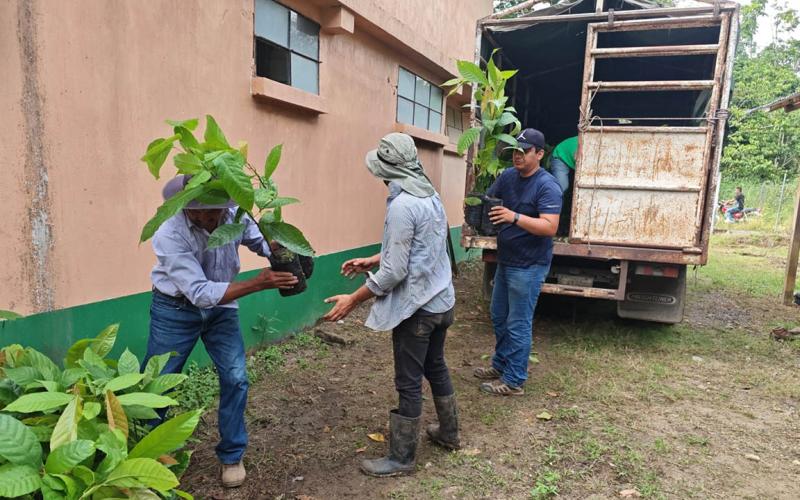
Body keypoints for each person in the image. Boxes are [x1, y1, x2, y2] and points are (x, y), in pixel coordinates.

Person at [144, 175, 298, 488]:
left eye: (211, 211)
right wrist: (259, 283)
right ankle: (152, 456)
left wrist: (281, 246)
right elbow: (199, 293)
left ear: (225, 207)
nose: (204, 217)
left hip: (222, 310)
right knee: (156, 385)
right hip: (175, 310)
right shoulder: (168, 233)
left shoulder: (235, 217)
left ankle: (231, 455)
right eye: (195, 211)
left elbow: (260, 240)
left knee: (236, 378)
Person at [323, 133, 459, 477]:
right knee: (437, 366)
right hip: (442, 301)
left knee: (409, 381)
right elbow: (422, 248)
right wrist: (375, 259)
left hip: (418, 311)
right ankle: (449, 433)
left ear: (386, 170)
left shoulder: (401, 205)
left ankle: (401, 459)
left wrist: (353, 299)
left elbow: (396, 272)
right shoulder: (430, 194)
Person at [473, 128, 562, 396]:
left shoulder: (547, 186)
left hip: (530, 264)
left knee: (518, 322)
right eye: (514, 150)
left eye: (524, 151)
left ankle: (514, 380)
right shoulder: (509, 177)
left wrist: (513, 217)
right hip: (507, 259)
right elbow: (489, 200)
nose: (517, 156)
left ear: (540, 153)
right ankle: (500, 364)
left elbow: (549, 226)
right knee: (499, 315)